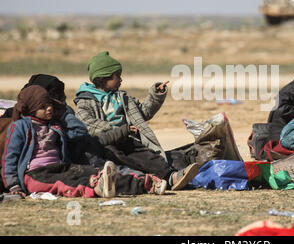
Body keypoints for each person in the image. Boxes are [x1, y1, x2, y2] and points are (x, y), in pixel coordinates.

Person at [1, 85, 166, 199]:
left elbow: (81, 133)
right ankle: (96, 187)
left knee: (92, 172)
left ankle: (145, 184)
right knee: (68, 184)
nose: (49, 109)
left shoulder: (56, 126)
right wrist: (14, 186)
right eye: (43, 106)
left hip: (61, 167)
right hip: (36, 175)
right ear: (31, 108)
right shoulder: (20, 127)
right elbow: (10, 158)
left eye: (50, 104)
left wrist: (64, 115)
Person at [74, 51, 200, 190]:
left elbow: (143, 112)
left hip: (128, 139)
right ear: (103, 78)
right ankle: (151, 180)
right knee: (122, 157)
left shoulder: (122, 98)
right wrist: (119, 130)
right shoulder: (85, 101)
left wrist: (155, 95)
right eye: (117, 76)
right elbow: (87, 123)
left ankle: (171, 177)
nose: (121, 80)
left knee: (147, 155)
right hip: (105, 143)